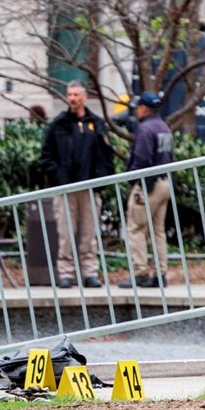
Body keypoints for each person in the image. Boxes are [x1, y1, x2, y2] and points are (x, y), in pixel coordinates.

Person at [37, 80, 115, 288]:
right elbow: (46, 157)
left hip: (90, 188)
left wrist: (101, 180)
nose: (72, 98)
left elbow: (107, 155)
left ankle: (90, 272)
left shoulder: (97, 123)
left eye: (76, 95)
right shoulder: (58, 124)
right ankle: (66, 273)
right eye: (69, 95)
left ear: (84, 97)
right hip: (65, 189)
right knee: (65, 233)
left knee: (89, 234)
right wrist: (58, 177)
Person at [121, 91, 173, 289]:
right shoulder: (163, 127)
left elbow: (142, 159)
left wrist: (133, 180)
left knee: (136, 227)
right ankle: (160, 273)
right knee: (158, 231)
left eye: (138, 107)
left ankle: (141, 273)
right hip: (164, 183)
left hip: (148, 185)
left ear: (143, 108)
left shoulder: (145, 129)